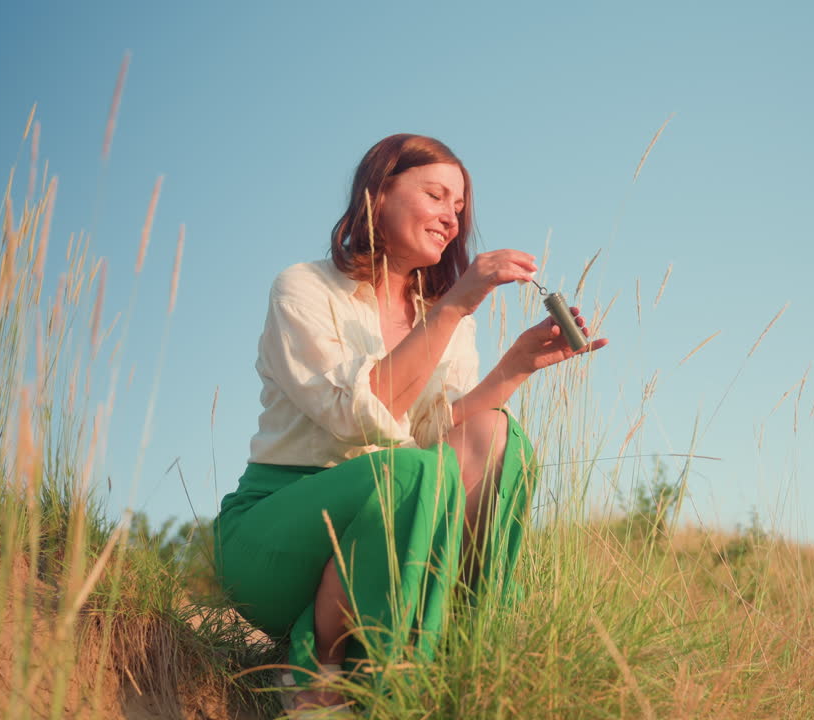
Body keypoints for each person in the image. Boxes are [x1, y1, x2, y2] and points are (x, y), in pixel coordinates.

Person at [213, 134, 608, 711]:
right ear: (378, 193)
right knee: (406, 473)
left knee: (498, 435)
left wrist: (516, 366)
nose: (452, 217)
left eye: (460, 207)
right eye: (437, 195)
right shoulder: (304, 288)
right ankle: (318, 675)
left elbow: (431, 433)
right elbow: (360, 418)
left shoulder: (441, 315)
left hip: (393, 523)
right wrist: (457, 304)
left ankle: (453, 646)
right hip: (278, 535)